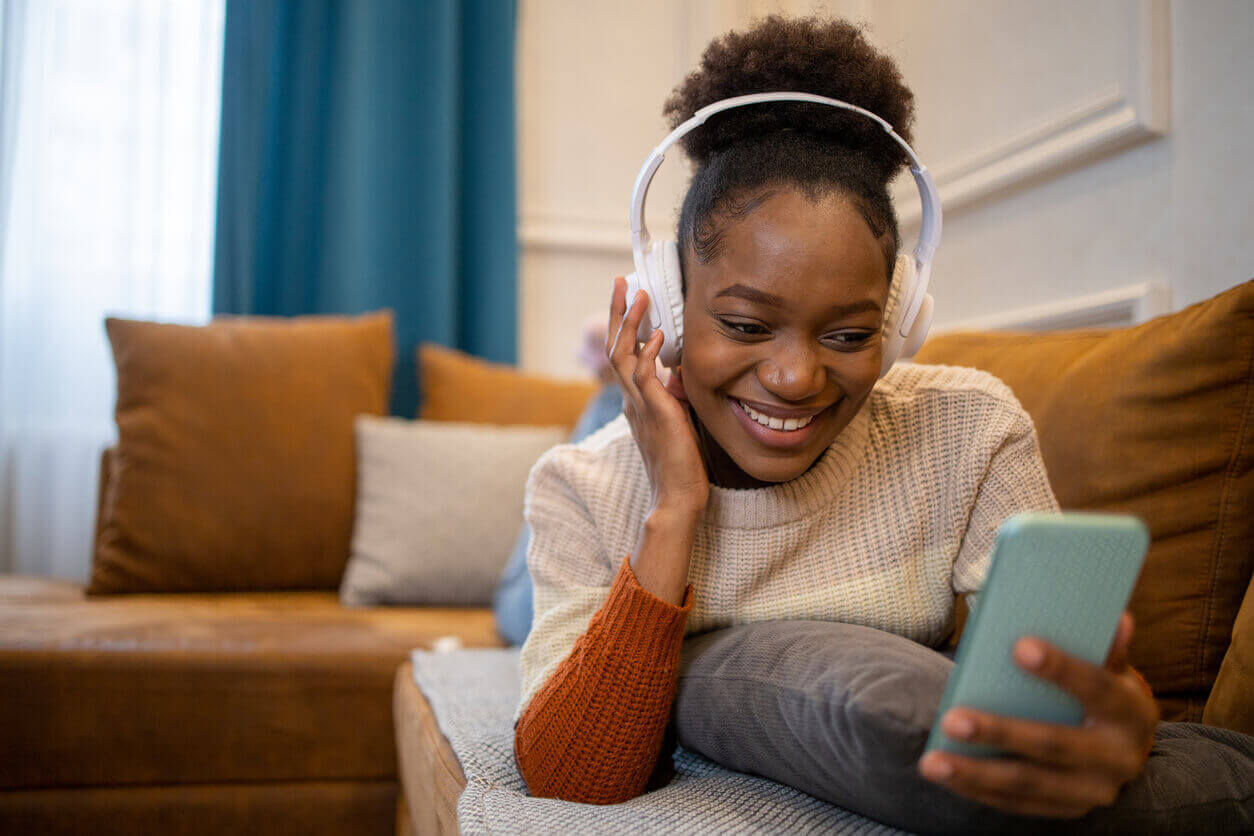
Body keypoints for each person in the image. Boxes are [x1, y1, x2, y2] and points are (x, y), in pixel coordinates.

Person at [512, 14, 1161, 820]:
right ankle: (593, 399)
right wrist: (675, 505)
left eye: (849, 335)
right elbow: (569, 777)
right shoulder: (576, 487)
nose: (795, 378)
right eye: (746, 326)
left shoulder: (969, 428)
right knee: (518, 599)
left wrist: (1118, 714)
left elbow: (1072, 675)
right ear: (671, 310)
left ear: (902, 323)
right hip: (619, 470)